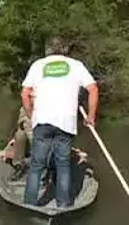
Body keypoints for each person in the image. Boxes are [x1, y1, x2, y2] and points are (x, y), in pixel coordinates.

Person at [20, 36, 99, 208]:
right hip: (66, 123)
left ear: (47, 49)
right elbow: (93, 89)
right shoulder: (76, 65)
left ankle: (29, 205)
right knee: (63, 165)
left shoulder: (38, 65)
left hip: (42, 122)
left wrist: (31, 114)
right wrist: (90, 116)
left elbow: (25, 93)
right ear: (65, 49)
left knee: (36, 165)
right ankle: (63, 205)